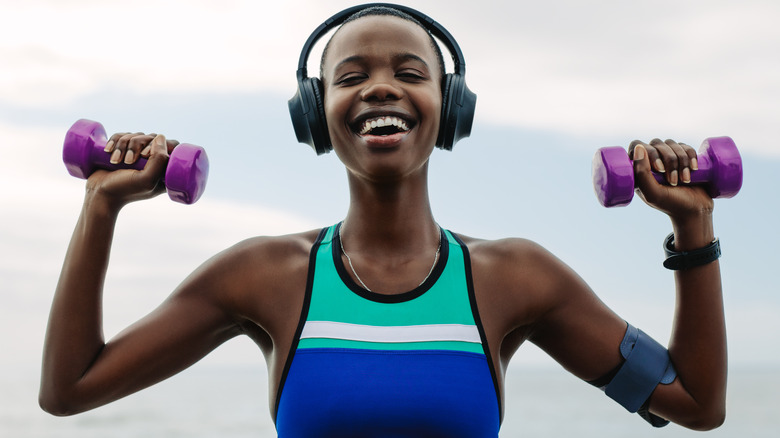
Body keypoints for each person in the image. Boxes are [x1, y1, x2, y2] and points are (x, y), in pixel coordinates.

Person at [40, 4, 727, 436]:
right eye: (350, 75)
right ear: (317, 114)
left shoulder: (516, 278)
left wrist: (693, 230)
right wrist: (101, 205)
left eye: (408, 70)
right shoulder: (263, 275)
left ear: (449, 106)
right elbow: (69, 390)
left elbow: (695, 404)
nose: (379, 86)